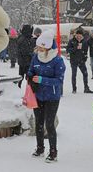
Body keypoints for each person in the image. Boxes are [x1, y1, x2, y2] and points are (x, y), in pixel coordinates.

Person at [28, 31, 66, 162]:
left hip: (52, 97)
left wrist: (42, 80)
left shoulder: (57, 60)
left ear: (48, 47)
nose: (38, 49)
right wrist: (29, 76)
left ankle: (53, 152)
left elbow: (59, 81)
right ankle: (40, 148)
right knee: (38, 123)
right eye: (38, 47)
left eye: (40, 47)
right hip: (38, 95)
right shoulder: (36, 57)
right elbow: (31, 70)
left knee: (49, 124)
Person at [66, 29, 93, 94]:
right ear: (76, 35)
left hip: (81, 61)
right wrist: (75, 48)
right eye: (77, 35)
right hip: (74, 61)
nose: (79, 37)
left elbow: (86, 50)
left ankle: (86, 88)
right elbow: (68, 50)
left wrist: (85, 58)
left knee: (85, 74)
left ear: (82, 35)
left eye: (80, 35)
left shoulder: (84, 41)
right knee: (74, 75)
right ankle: (74, 89)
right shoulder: (71, 41)